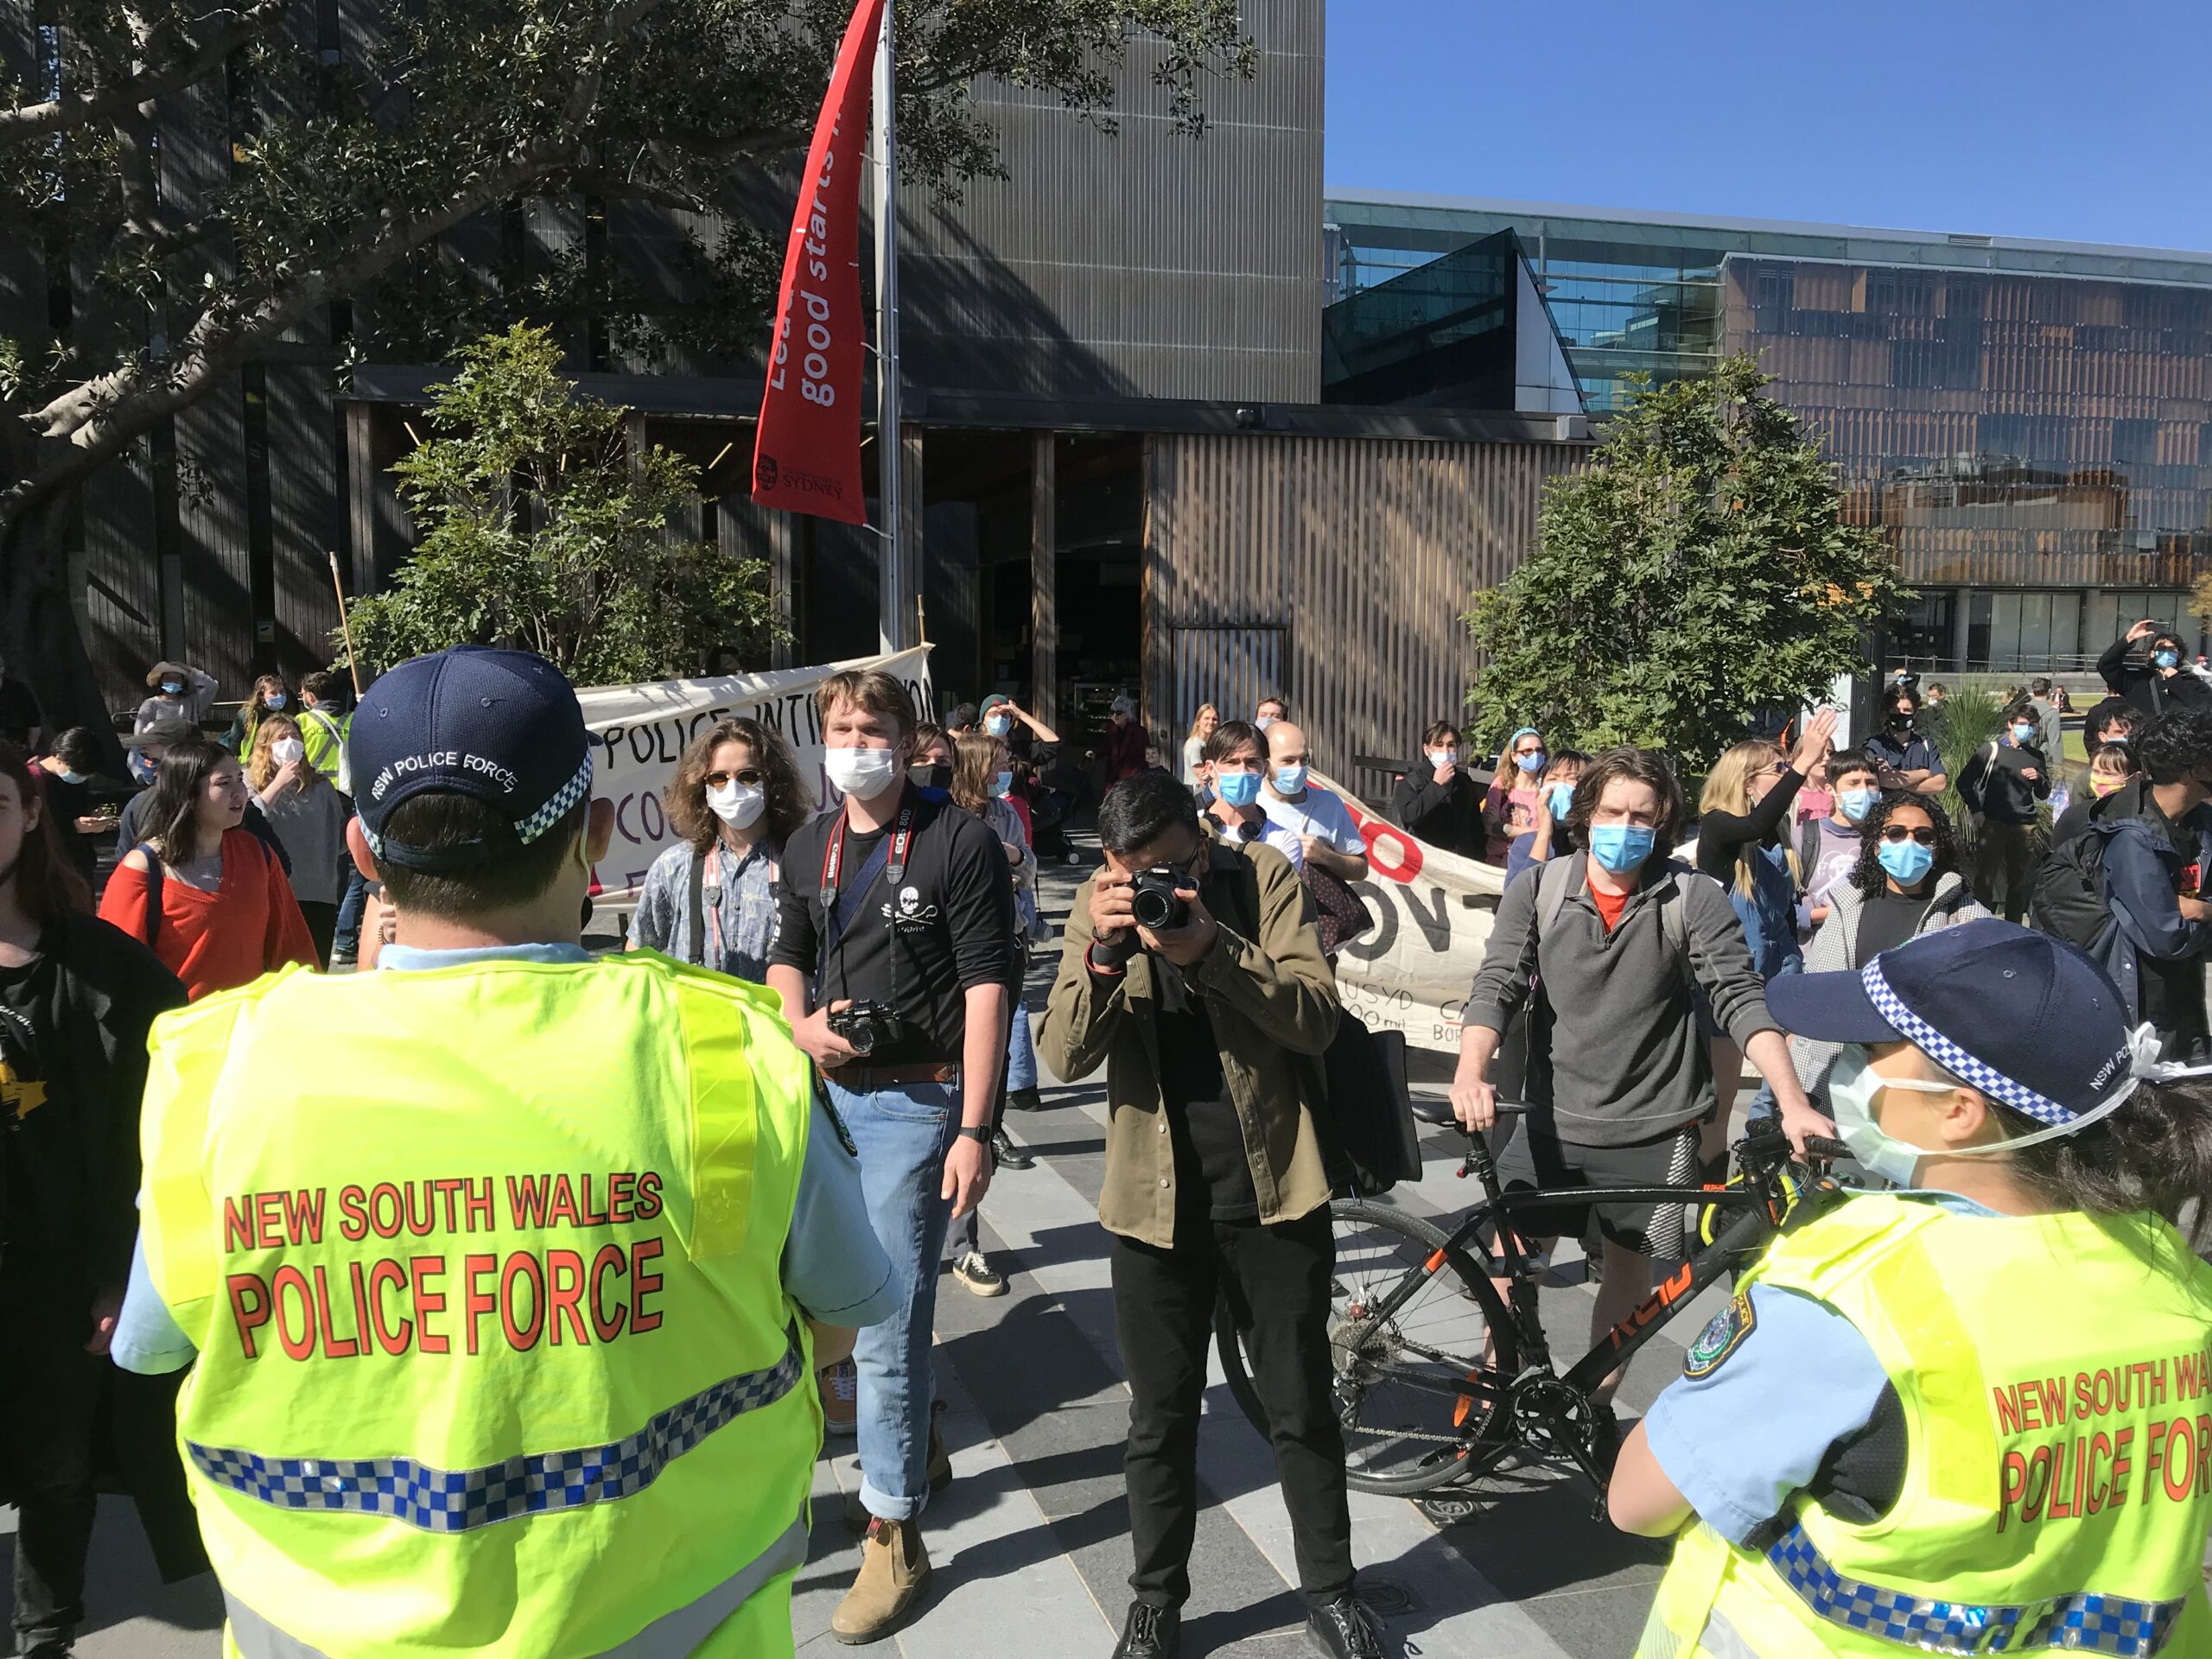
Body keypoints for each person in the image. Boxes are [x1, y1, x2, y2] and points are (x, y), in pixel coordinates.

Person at [109, 644, 894, 1658]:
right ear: (595, 836)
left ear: (359, 852)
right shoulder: (725, 1053)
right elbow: (835, 1327)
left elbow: (157, 1344)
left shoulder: (216, 1072)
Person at [1615, 920, 2212, 1659]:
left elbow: (1638, 1501)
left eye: (1868, 1056)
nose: (1846, 1075)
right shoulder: (2174, 1273)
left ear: (1959, 1111)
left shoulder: (1855, 1284)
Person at [1040, 769, 1380, 1659]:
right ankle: (1155, 1601)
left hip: (1273, 1192)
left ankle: (1332, 1591)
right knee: (1159, 1417)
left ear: (1198, 837)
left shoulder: (1260, 876)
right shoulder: (1099, 901)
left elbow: (1314, 1017)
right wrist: (1103, 956)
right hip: (1152, 1210)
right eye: (1125, 869)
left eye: (1161, 866)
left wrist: (1211, 952)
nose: (1147, 886)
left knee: (1301, 1403)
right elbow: (1062, 1055)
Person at [1451, 748, 1832, 1404]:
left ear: (1663, 824)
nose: (1626, 827)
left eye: (1642, 817)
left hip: (1653, 1131)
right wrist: (1469, 1071)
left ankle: (1592, 1409)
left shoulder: (1692, 898)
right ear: (1586, 815)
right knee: (1512, 1264)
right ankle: (1494, 1397)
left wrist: (1792, 1103)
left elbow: (1741, 1000)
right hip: (1550, 1120)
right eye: (1613, 812)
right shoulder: (1539, 890)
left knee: (1631, 1279)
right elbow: (1496, 987)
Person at [765, 667, 1014, 1643]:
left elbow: (990, 987)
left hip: (915, 1102)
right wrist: (792, 1022)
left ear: (908, 740)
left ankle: (893, 1533)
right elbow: (787, 949)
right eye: (839, 726)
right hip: (820, 1096)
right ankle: (914, 1451)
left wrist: (975, 1128)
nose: (855, 741)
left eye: (872, 726)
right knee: (811, 1305)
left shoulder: (961, 840)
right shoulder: (807, 842)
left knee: (888, 1324)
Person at [0, 743, 199, 1659]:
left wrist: (126, 1276)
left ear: (29, 812)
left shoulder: (102, 969)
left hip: (56, 1273)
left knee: (56, 1471)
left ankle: (48, 1630)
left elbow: (160, 1128)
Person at [1789, 793, 1986, 1112]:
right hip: (1848, 1080)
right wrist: (1806, 1097)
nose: (1909, 842)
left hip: (1924, 1089)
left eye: (1923, 836)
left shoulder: (1966, 917)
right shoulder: (1847, 909)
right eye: (1896, 833)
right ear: (1877, 845)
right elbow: (1819, 1005)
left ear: (1937, 849)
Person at [2036, 705, 2212, 1062]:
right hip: (2142, 1009)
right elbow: (2166, 936)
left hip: (2186, 1000)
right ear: (2196, 770)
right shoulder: (2130, 834)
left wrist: (2199, 910)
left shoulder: (2202, 821)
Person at [96, 737, 317, 1001]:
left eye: (239, 779)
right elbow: (113, 976)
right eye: (224, 783)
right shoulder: (142, 870)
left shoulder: (258, 854)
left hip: (246, 1032)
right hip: (174, 1035)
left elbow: (293, 950)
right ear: (186, 792)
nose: (240, 792)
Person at [1695, 715, 1837, 1123]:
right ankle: (1711, 1187)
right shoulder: (1719, 827)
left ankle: (1766, 1146)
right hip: (1733, 975)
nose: (1788, 775)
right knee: (1718, 1106)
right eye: (1778, 769)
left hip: (1782, 968)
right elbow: (1751, 824)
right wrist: (1802, 762)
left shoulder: (1779, 832)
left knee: (1793, 1079)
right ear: (1746, 781)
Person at [941, 728, 1041, 1299]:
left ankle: (963, 1240)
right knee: (947, 1103)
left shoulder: (1005, 814)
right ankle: (946, 1237)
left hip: (1007, 954)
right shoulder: (945, 818)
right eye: (999, 762)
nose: (1006, 772)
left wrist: (1008, 854)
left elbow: (1026, 868)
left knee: (981, 1104)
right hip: (954, 968)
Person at [626, 716, 808, 982]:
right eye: (719, 778)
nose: (732, 787)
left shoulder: (801, 862)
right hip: (696, 1021)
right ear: (702, 786)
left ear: (772, 782)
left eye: (747, 776)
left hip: (775, 1020)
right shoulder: (675, 866)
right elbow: (635, 959)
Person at [113, 715, 293, 878]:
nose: (147, 762)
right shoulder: (139, 807)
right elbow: (125, 871)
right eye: (145, 755)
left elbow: (278, 869)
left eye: (154, 756)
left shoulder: (244, 819)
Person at [245, 715, 350, 965]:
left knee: (315, 971)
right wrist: (279, 784)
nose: (290, 743)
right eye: (282, 738)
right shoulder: (249, 783)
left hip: (318, 893)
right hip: (272, 894)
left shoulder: (321, 787)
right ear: (265, 746)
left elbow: (339, 839)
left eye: (295, 737)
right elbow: (248, 822)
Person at [1957, 704, 2051, 924]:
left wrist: (2038, 778)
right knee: (1985, 878)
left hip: (2025, 823)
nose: (2027, 730)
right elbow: (1963, 783)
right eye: (2022, 725)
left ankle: (2013, 926)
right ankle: (1981, 923)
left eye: (2031, 726)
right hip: (1994, 822)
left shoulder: (2035, 756)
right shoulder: (1990, 751)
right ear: (2010, 724)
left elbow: (2044, 793)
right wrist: (1976, 810)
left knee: (2019, 882)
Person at [1795, 748, 1880, 929]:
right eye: (1854, 783)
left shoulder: (1884, 839)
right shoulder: (1803, 837)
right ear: (1830, 789)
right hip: (1812, 950)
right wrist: (1826, 914)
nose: (1864, 790)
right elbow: (1779, 906)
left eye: (1871, 782)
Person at [1392, 719, 1485, 857]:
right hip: (1427, 860)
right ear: (1426, 749)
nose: (1445, 751)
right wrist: (1436, 786)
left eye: (1451, 745)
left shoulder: (1464, 781)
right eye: (1439, 745)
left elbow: (1475, 825)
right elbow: (1409, 817)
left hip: (1463, 862)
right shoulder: (1410, 782)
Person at [2099, 617, 2212, 720]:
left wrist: (2175, 681)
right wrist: (2128, 640)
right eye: (2162, 649)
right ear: (2153, 654)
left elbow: (2204, 711)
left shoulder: (2193, 683)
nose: (2167, 653)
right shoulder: (2138, 682)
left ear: (2179, 654)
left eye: (2172, 650)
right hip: (2147, 740)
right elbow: (2106, 666)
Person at [1505, 748, 1589, 886]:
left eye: (1573, 778)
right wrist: (1544, 835)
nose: (1561, 785)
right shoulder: (1526, 843)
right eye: (1553, 778)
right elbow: (1515, 896)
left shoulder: (1594, 842)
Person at [35, 726, 106, 881]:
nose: (81, 778)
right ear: (59, 758)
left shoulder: (77, 781)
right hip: (48, 871)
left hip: (79, 866)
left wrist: (92, 819)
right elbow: (33, 828)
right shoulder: (33, 781)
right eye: (79, 774)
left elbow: (77, 812)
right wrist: (72, 827)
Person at [130, 661, 219, 782]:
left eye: (177, 679)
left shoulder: (191, 702)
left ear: (183, 682)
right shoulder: (151, 704)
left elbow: (211, 686)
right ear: (161, 680)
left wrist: (189, 670)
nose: (173, 681)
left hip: (187, 758)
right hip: (158, 762)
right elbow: (139, 737)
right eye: (169, 678)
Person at [1861, 685, 1947, 797]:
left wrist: (1898, 782)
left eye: (1907, 710)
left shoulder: (1926, 744)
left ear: (1915, 714)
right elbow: (1885, 779)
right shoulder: (1875, 745)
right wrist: (1924, 773)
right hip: (1888, 811)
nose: (1901, 714)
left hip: (1921, 810)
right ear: (1887, 714)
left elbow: (1940, 784)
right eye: (1895, 710)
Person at [1481, 726, 1549, 863]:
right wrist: (1534, 833)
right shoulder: (1501, 785)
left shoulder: (1546, 790)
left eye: (1539, 750)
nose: (1535, 755)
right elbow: (1489, 825)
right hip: (1497, 860)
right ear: (1514, 756)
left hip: (1530, 861)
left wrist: (1506, 829)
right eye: (1527, 751)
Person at [2051, 741, 2138, 848]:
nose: (2100, 780)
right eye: (2096, 772)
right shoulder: (2074, 816)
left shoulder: (2144, 817)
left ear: (2134, 778)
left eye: (2109, 774)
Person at [295, 669, 353, 787]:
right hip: (350, 787)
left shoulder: (302, 721)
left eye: (302, 694)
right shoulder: (354, 718)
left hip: (316, 788)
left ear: (310, 696)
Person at [221, 672, 293, 758]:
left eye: (282, 692)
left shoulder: (288, 713)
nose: (279, 696)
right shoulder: (247, 715)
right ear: (261, 696)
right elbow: (235, 744)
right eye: (273, 693)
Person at [1099, 693, 1148, 785]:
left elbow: (1143, 756)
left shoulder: (1139, 732)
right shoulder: (1112, 730)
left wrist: (1135, 775)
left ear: (1127, 714)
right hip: (1113, 778)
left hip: (1131, 779)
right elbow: (1105, 748)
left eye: (1118, 713)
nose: (1115, 716)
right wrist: (1094, 754)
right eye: (1112, 712)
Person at [1180, 704, 1219, 790]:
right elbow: (1202, 775)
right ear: (1198, 721)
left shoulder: (1211, 744)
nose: (1211, 722)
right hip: (1197, 792)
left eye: (1214, 719)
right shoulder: (1194, 744)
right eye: (1206, 718)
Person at [2026, 676, 2064, 757]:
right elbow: (2055, 742)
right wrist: (2058, 765)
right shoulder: (2052, 713)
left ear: (2032, 690)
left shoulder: (2023, 709)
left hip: (2023, 755)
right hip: (2041, 757)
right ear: (2049, 691)